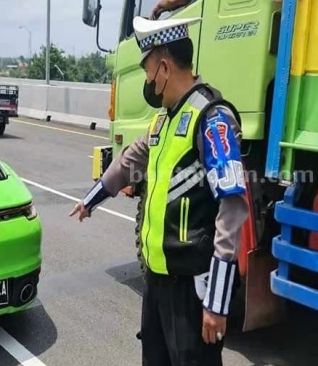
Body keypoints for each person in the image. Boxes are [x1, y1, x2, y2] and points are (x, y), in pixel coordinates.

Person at [69, 16, 249, 366]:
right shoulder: (164, 121)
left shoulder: (212, 119)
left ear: (164, 67)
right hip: (157, 282)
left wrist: (217, 302)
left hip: (191, 288)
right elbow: (129, 161)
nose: (148, 81)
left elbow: (232, 207)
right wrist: (92, 200)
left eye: (148, 70)